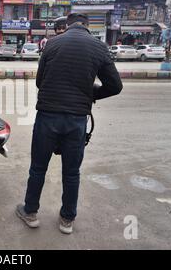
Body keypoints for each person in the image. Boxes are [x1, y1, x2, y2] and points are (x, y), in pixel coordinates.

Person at [16, 13, 123, 234]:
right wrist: (90, 93)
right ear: (87, 25)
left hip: (47, 116)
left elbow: (39, 81)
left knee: (38, 168)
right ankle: (67, 220)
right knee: (72, 172)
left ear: (68, 25)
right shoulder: (99, 47)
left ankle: (30, 212)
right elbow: (115, 86)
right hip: (76, 120)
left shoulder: (52, 44)